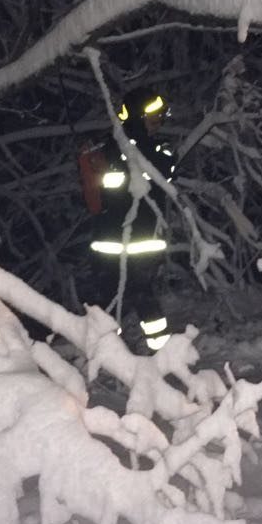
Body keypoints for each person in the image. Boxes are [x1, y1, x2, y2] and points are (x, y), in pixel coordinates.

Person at [82, 86, 175, 351]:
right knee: (132, 293)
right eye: (153, 118)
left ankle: (111, 349)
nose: (158, 124)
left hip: (120, 240)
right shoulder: (129, 149)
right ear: (137, 117)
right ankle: (150, 352)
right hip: (127, 239)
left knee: (119, 293)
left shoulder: (117, 146)